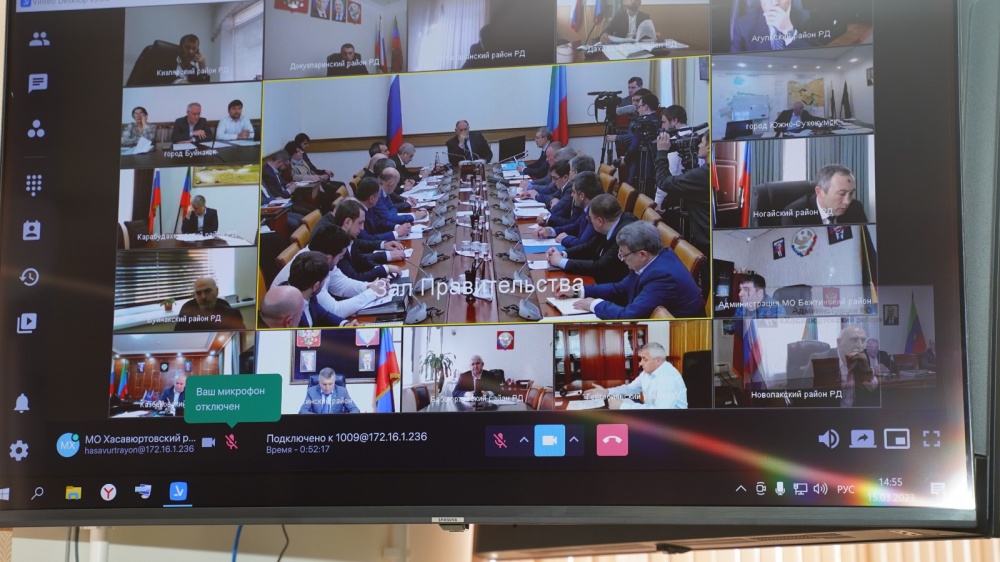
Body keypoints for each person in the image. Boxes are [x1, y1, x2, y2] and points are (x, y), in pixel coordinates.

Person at [555, 221, 703, 319]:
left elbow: (629, 316)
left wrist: (593, 304)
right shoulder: (651, 259)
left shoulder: (662, 277)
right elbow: (620, 288)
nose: (622, 259)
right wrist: (577, 291)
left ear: (642, 254)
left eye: (623, 254)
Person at [546, 193, 636, 285]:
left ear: (600, 221)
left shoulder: (624, 235)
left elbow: (600, 267)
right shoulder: (609, 223)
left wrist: (560, 262)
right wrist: (563, 254)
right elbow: (590, 246)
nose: (589, 221)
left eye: (590, 219)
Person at [654, 131, 711, 254]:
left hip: (705, 241)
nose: (698, 145)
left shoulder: (704, 174)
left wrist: (661, 152)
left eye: (701, 142)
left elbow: (664, 182)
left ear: (709, 147)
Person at [585, 343, 687, 409]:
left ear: (658, 361)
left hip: (673, 423)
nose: (640, 363)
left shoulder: (668, 377)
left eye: (644, 359)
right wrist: (607, 391)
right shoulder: (647, 372)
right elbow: (630, 388)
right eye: (641, 359)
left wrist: (622, 406)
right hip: (654, 416)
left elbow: (660, 411)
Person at [327, 197, 402, 282]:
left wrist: (382, 268)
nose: (362, 228)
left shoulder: (349, 237)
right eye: (360, 223)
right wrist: (383, 269)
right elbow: (355, 278)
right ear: (347, 223)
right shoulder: (336, 245)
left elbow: (361, 260)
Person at [803, 325, 880, 407]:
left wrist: (867, 370)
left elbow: (873, 389)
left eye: (863, 340)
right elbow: (804, 395)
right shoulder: (819, 360)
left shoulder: (861, 359)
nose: (860, 345)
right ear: (839, 342)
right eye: (854, 340)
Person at [538, 164, 602, 248]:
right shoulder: (588, 206)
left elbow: (582, 244)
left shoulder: (596, 212)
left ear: (582, 196)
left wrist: (565, 239)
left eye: (574, 192)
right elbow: (576, 226)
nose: (572, 195)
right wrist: (551, 231)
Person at [781, 164, 869, 225]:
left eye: (851, 193)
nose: (847, 202)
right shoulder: (793, 214)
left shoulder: (855, 207)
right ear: (819, 192)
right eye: (842, 194)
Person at [286, 251, 350, 328]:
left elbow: (323, 315)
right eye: (324, 281)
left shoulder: (309, 295)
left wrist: (345, 324)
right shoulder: (289, 310)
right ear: (316, 286)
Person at [731, 0, 814, 52]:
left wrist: (788, 30)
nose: (774, 3)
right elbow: (734, 61)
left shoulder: (806, 18)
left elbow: (811, 58)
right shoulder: (743, 25)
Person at [173, 277, 246, 331]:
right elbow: (177, 338)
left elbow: (240, 339)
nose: (203, 297)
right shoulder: (186, 315)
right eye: (198, 293)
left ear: (217, 291)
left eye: (207, 291)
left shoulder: (232, 314)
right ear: (194, 296)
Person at [623, 92, 660, 196]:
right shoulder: (658, 121)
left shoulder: (642, 123)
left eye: (639, 107)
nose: (637, 110)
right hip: (656, 167)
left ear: (646, 107)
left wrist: (625, 159)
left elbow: (634, 146)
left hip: (641, 167)